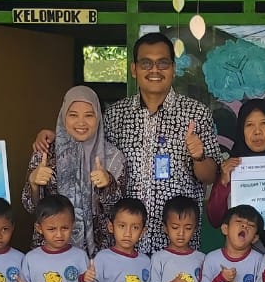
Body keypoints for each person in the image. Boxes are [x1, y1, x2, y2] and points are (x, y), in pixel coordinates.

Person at [34, 32, 221, 254]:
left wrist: (198, 156)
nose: (154, 70)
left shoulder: (196, 114)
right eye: (146, 63)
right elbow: (86, 142)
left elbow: (210, 176)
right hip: (124, 246)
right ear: (134, 69)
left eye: (162, 63)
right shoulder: (115, 115)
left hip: (177, 244)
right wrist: (53, 136)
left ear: (173, 68)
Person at [23, 86, 127, 255]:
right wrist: (34, 185)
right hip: (51, 253)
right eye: (73, 115)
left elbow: (120, 214)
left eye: (89, 115)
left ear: (98, 117)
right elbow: (31, 208)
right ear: (63, 116)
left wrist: (108, 185)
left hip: (99, 255)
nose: (81, 122)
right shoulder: (45, 153)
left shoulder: (113, 157)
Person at [206, 99, 265, 228]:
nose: (257, 131)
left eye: (264, 123)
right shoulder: (231, 169)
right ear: (241, 131)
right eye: (249, 125)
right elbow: (215, 220)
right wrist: (223, 184)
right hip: (241, 240)